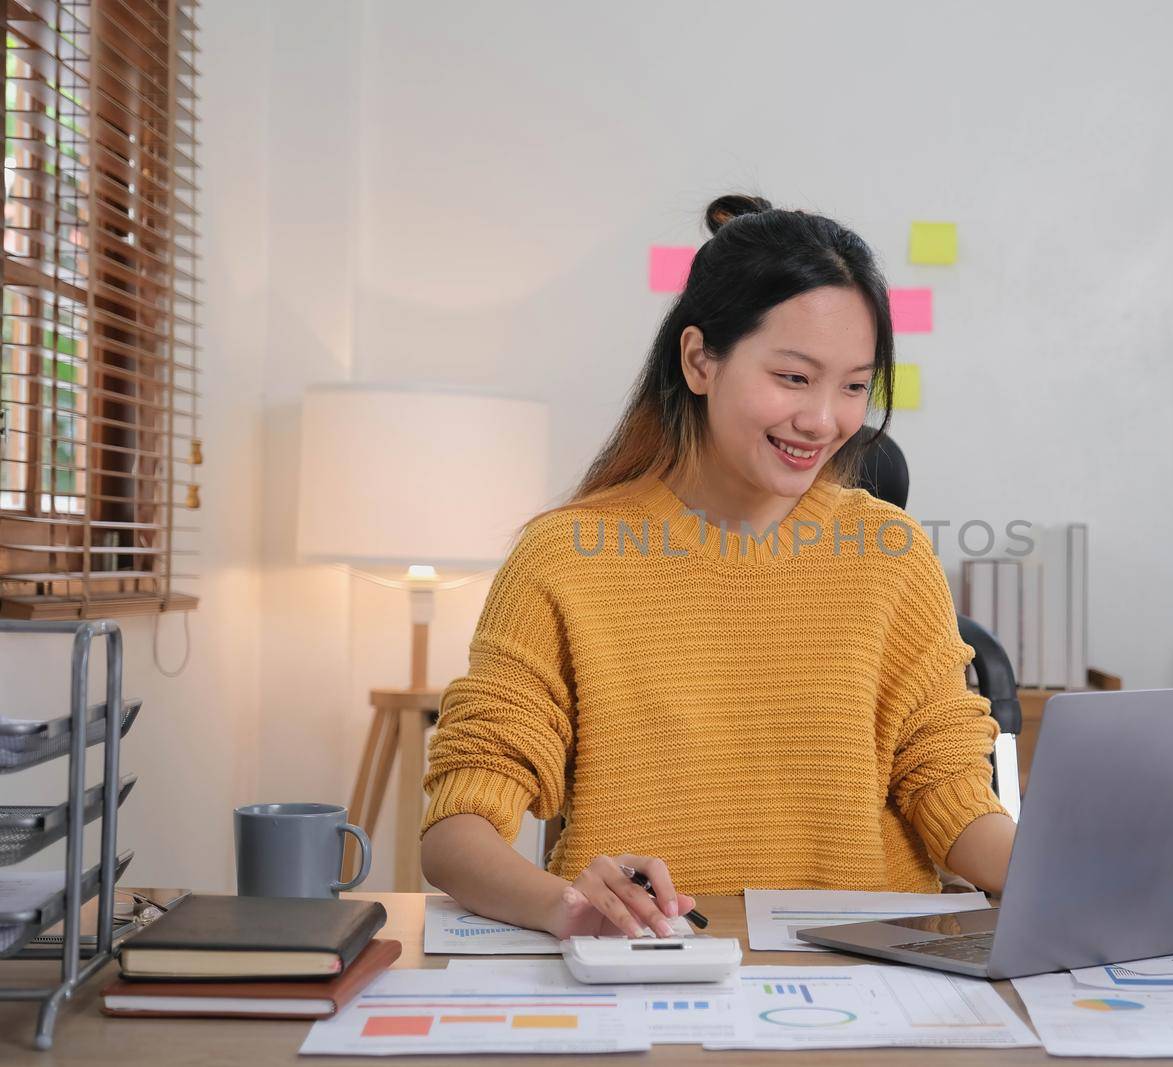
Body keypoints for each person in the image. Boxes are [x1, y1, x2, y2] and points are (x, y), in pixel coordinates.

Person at [419, 194, 1017, 939]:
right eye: (795, 378)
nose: (825, 419)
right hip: (658, 970)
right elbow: (458, 827)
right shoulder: (564, 559)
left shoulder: (890, 553)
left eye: (855, 385)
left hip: (870, 981)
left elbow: (952, 797)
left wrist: (1084, 875)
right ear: (700, 359)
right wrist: (566, 906)